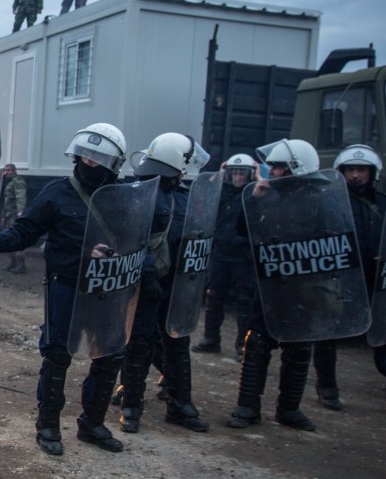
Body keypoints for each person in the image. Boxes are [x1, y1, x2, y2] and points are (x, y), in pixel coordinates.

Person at [0, 123, 131, 456]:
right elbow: (25, 231)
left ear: (113, 162)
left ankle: (93, 424)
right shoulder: (57, 192)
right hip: (67, 286)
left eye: (98, 157)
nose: (90, 162)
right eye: (85, 155)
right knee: (57, 356)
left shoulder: (126, 195)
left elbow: (138, 236)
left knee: (109, 355)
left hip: (108, 288)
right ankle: (49, 426)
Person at [228, 138, 326, 431]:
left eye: (278, 167)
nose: (272, 172)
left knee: (298, 348)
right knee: (257, 343)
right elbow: (242, 230)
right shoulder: (268, 196)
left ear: (296, 168)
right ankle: (247, 406)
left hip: (304, 287)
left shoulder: (320, 202)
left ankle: (289, 409)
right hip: (270, 285)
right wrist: (255, 200)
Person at [118, 133, 210, 434]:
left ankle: (179, 404)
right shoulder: (141, 192)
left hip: (175, 285)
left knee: (176, 342)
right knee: (140, 343)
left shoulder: (183, 195)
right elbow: (133, 239)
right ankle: (131, 405)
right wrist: (147, 275)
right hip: (146, 285)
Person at [312, 145, 386, 414]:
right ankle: (327, 386)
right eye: (350, 170)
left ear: (372, 173)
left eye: (362, 170)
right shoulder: (327, 201)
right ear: (341, 173)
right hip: (339, 278)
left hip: (378, 281)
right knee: (328, 333)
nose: (356, 175)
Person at [192, 154, 257, 356]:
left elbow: (266, 192)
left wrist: (259, 176)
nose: (238, 177)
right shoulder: (222, 191)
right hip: (220, 252)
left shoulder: (253, 193)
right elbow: (205, 196)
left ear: (250, 175)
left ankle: (242, 344)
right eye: (234, 172)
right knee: (213, 296)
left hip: (243, 255)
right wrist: (219, 175)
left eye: (242, 173)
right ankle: (211, 339)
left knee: (245, 300)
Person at [0, 163, 28, 273]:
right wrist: (3, 217)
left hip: (15, 215)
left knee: (17, 238)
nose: (7, 172)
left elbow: (21, 197)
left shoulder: (17, 181)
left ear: (14, 171)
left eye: (9, 170)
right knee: (10, 238)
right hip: (9, 215)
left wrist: (20, 212)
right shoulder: (9, 182)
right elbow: (7, 201)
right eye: (5, 170)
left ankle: (21, 264)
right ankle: (13, 262)